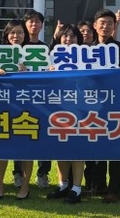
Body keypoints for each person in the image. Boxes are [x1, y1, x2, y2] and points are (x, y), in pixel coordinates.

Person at [92, 8, 120, 204]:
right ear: (95, 25)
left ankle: (114, 189)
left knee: (115, 147)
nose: (105, 26)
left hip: (116, 104)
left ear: (115, 26)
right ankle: (98, 184)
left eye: (109, 23)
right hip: (92, 105)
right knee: (96, 146)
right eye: (102, 23)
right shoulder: (85, 49)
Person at [46, 23, 85, 204]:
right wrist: (48, 72)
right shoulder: (52, 56)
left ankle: (77, 188)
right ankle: (63, 184)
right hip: (56, 107)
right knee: (60, 147)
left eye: (72, 36)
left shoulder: (88, 56)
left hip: (80, 108)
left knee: (77, 148)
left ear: (79, 39)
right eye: (65, 36)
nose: (69, 40)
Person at [0, 19, 32, 200]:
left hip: (28, 107)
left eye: (20, 32)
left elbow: (44, 78)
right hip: (4, 106)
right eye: (12, 33)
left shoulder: (34, 54)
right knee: (2, 148)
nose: (16, 36)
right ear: (6, 35)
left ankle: (25, 186)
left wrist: (27, 74)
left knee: (27, 149)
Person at [23, 9, 52, 189]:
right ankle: (18, 173)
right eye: (31, 21)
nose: (34, 25)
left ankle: (43, 173)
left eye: (37, 22)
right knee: (21, 134)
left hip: (43, 99)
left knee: (44, 136)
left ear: (42, 26)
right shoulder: (17, 47)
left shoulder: (46, 48)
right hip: (22, 99)